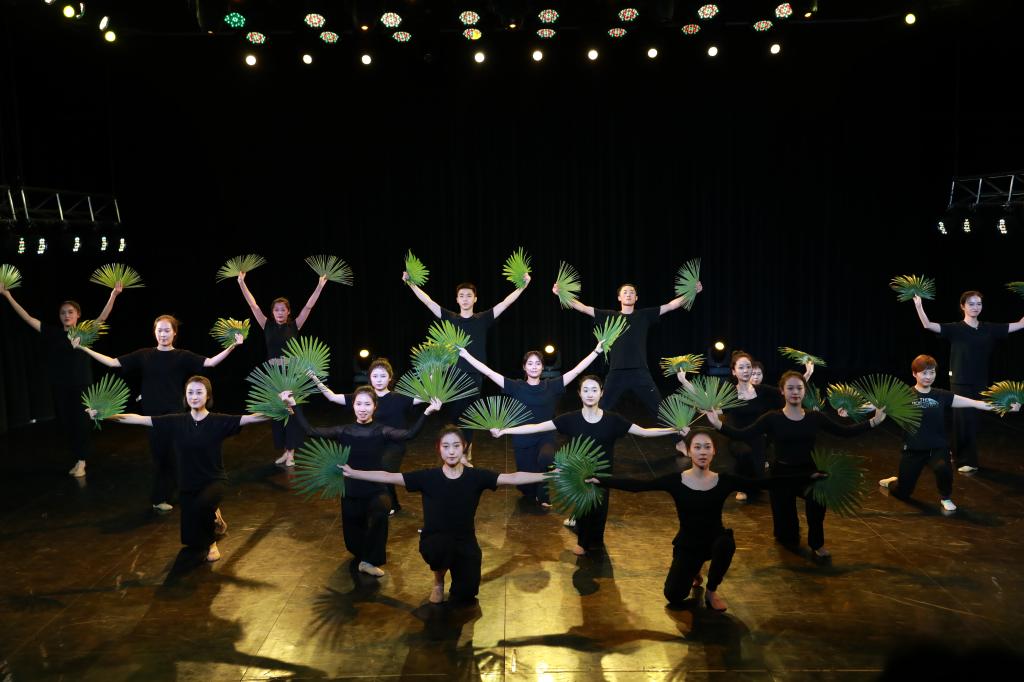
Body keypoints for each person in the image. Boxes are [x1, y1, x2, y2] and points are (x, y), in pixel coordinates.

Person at [591, 429, 826, 611]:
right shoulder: (675, 481)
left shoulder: (724, 481)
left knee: (726, 543)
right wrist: (601, 480)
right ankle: (694, 570)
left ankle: (711, 591)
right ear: (688, 451)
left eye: (707, 447)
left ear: (714, 452)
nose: (702, 452)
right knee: (673, 596)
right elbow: (637, 486)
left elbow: (766, 483)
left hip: (714, 541)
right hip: (687, 545)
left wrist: (808, 477)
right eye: (697, 447)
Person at [342, 425, 550, 604]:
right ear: (439, 449)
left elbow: (512, 477)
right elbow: (388, 476)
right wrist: (354, 473)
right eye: (446, 446)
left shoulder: (476, 477)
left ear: (464, 447)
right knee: (442, 547)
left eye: (456, 446)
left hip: (465, 541)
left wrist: (548, 475)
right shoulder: (428, 477)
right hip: (435, 540)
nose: (451, 452)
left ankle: (461, 574)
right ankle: (439, 580)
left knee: (466, 594)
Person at [491, 375, 683, 555]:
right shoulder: (570, 419)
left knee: (600, 510)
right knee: (583, 508)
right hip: (579, 475)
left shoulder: (613, 420)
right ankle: (582, 541)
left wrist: (675, 430)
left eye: (594, 390)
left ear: (602, 393)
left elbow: (643, 432)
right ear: (579, 394)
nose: (590, 394)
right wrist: (505, 430)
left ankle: (596, 541)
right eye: (586, 390)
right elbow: (536, 427)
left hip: (604, 475)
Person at [86, 376, 268, 562]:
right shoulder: (176, 421)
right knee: (190, 539)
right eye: (190, 392)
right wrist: (105, 415)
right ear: (185, 396)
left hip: (213, 480)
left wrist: (282, 406)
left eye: (199, 392)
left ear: (208, 396)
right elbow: (139, 419)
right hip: (188, 483)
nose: (194, 397)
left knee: (202, 506)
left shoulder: (218, 421)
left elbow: (251, 418)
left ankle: (212, 542)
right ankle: (214, 515)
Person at [705, 371, 886, 558]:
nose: (795, 392)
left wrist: (873, 421)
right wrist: (717, 424)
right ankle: (787, 534)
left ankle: (817, 543)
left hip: (809, 473)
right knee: (787, 537)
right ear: (782, 391)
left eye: (799, 388)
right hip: (781, 474)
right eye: (790, 388)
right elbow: (743, 434)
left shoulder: (814, 417)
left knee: (817, 503)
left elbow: (844, 432)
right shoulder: (772, 418)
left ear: (804, 391)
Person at [73, 315, 243, 512]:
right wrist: (83, 348)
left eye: (167, 330)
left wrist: (233, 346)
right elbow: (112, 363)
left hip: (176, 413)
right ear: (154, 332)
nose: (163, 334)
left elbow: (210, 362)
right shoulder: (145, 354)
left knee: (180, 454)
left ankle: (184, 491)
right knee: (162, 457)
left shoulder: (182, 356)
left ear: (174, 333)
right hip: (153, 415)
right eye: (159, 330)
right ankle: (159, 498)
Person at [280, 387, 442, 577]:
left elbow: (409, 434)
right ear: (353, 406)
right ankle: (363, 556)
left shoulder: (381, 431)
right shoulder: (344, 430)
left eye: (367, 404)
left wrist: (427, 412)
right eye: (358, 404)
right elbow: (311, 431)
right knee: (354, 538)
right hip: (351, 489)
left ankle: (369, 561)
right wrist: (294, 405)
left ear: (375, 407)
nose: (362, 408)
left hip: (376, 487)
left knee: (380, 513)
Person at [456, 339, 603, 506]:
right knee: (526, 488)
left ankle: (544, 493)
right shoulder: (516, 386)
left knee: (546, 458)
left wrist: (596, 352)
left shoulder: (551, 386)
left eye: (538, 363)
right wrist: (466, 355)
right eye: (530, 363)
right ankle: (530, 490)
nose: (534, 366)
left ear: (542, 367)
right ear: (524, 367)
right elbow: (489, 373)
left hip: (545, 436)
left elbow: (576, 371)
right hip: (523, 438)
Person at [402, 271, 531, 460]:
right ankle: (462, 448)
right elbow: (428, 302)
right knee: (455, 416)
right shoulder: (451, 318)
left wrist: (522, 286)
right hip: (452, 375)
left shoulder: (482, 319)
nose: (465, 299)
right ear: (457, 299)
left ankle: (465, 451)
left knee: (470, 415)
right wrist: (411, 284)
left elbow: (505, 303)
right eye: (461, 295)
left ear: (475, 299)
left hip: (475, 375)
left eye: (469, 295)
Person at [1, 281, 123, 478]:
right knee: (67, 424)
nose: (66, 315)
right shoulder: (53, 333)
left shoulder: (84, 333)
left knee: (81, 423)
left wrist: (114, 295)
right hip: (60, 386)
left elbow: (102, 317)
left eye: (70, 312)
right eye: (63, 313)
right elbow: (27, 318)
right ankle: (78, 458)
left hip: (81, 386)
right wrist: (7, 295)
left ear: (78, 315)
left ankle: (82, 461)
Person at [878, 354, 1020, 512]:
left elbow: (976, 403)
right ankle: (893, 482)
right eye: (924, 373)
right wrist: (855, 409)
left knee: (943, 469)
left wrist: (1005, 406)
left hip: (937, 448)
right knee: (903, 493)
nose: (928, 377)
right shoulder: (903, 395)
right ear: (914, 373)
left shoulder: (941, 395)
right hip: (913, 450)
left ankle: (945, 497)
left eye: (932, 372)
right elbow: (876, 405)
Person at [554, 279, 701, 418]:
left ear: (636, 298)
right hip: (616, 372)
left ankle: (677, 435)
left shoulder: (644, 315)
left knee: (660, 409)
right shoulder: (609, 316)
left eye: (631, 292)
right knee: (602, 408)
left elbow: (670, 306)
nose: (628, 294)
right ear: (619, 298)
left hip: (640, 372)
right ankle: (591, 434)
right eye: (625, 292)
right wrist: (562, 294)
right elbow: (583, 308)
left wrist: (692, 292)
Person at [678, 352, 813, 502]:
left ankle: (752, 481)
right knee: (744, 454)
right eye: (741, 367)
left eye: (748, 367)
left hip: (757, 438)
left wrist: (807, 373)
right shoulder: (730, 393)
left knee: (758, 478)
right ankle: (740, 486)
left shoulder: (762, 390)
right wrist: (684, 381)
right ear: (734, 371)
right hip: (737, 437)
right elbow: (704, 397)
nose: (746, 370)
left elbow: (789, 390)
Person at [913, 291, 1024, 472]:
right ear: (962, 306)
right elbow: (927, 325)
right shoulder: (955, 328)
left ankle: (957, 454)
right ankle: (967, 460)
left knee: (972, 420)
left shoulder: (988, 328)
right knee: (963, 419)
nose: (975, 307)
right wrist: (919, 306)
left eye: (978, 304)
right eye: (971, 304)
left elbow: (1020, 324)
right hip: (960, 380)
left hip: (979, 380)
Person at [311, 357, 427, 514]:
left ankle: (388, 504)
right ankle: (392, 504)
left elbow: (423, 396)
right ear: (370, 377)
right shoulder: (364, 397)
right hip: (373, 444)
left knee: (384, 468)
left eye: (383, 376)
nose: (379, 380)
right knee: (374, 472)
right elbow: (332, 397)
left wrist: (432, 375)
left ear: (390, 378)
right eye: (375, 376)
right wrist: (314, 378)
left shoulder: (399, 398)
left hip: (394, 445)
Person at [237, 270, 328, 467]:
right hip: (273, 377)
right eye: (276, 310)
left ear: (288, 312)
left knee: (292, 413)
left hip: (291, 376)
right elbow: (253, 305)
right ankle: (286, 451)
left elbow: (309, 306)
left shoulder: (294, 326)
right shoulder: (267, 326)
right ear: (273, 312)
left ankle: (292, 453)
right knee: (278, 413)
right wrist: (242, 283)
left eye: (283, 309)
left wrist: (320, 286)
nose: (279, 312)